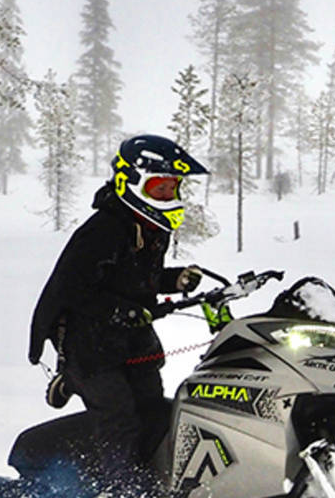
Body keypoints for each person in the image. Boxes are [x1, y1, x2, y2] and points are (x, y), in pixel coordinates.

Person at [27, 134, 208, 491]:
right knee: (119, 417)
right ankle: (121, 488)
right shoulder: (103, 230)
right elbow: (71, 288)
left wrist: (175, 280)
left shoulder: (152, 228)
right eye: (159, 188)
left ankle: (154, 481)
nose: (167, 195)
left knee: (153, 409)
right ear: (131, 181)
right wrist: (120, 311)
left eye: (172, 188)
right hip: (90, 346)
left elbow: (134, 277)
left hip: (132, 341)